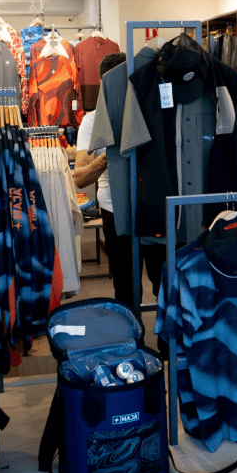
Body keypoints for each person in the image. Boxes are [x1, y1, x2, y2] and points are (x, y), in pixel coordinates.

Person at [74, 52, 133, 307]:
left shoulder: (146, 112)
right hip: (113, 208)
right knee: (125, 282)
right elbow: (79, 177)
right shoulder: (93, 120)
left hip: (149, 204)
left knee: (160, 275)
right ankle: (131, 326)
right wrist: (109, 156)